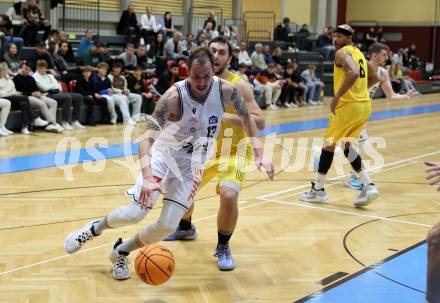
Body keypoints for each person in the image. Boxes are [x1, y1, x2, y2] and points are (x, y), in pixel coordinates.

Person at [64, 47, 273, 281]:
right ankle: (94, 229)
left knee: (167, 226)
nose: (202, 82)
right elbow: (146, 139)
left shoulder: (227, 90)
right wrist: (148, 176)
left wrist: (260, 154)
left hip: (193, 165)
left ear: (213, 71)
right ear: (187, 72)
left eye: (206, 76)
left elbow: (248, 119)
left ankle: (120, 251)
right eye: (196, 77)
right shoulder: (173, 97)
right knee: (135, 214)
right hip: (163, 157)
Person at [164, 37, 272, 271]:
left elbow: (260, 122)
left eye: (222, 52)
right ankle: (185, 228)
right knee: (179, 187)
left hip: (234, 150)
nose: (216, 55)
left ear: (229, 59)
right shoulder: (196, 82)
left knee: (229, 194)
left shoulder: (239, 85)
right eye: (213, 50)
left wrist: (225, 116)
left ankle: (223, 246)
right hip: (203, 149)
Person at [299, 24, 379, 207]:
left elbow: (353, 73)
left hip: (347, 107)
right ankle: (369, 185)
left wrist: (337, 97)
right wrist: (359, 93)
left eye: (339, 36)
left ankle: (318, 190)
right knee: (348, 147)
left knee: (328, 145)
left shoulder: (342, 53)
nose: (335, 39)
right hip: (363, 106)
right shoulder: (359, 54)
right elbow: (374, 78)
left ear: (349, 38)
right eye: (334, 36)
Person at [342, 42, 419, 190]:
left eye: (387, 55)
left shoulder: (383, 72)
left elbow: (390, 95)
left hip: (362, 111)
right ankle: (352, 176)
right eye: (384, 54)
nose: (386, 57)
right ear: (374, 55)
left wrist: (406, 97)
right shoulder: (360, 66)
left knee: (351, 144)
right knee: (358, 144)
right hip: (350, 109)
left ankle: (320, 157)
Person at [33, 59, 84, 131]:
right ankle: (65, 122)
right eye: (40, 67)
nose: (43, 69)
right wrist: (52, 85)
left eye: (44, 67)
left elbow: (58, 86)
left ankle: (74, 121)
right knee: (67, 97)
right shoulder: (35, 76)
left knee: (78, 97)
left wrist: (51, 86)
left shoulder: (50, 75)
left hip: (57, 92)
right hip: (47, 94)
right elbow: (44, 88)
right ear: (37, 67)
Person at [13, 61, 62, 132]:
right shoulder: (16, 78)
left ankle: (50, 125)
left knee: (53, 102)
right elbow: (18, 92)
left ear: (30, 71)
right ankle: (53, 123)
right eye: (23, 68)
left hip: (35, 95)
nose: (24, 70)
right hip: (26, 97)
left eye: (27, 69)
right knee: (41, 103)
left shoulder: (31, 78)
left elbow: (35, 89)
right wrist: (31, 93)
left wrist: (38, 93)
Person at [0, 62, 46, 134]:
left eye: (7, 69)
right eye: (5, 70)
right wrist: (12, 93)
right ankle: (35, 118)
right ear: (1, 70)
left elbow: (13, 89)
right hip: (5, 98)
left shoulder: (9, 79)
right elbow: (1, 94)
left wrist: (15, 93)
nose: (7, 71)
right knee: (24, 98)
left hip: (13, 98)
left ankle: (24, 128)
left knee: (24, 103)